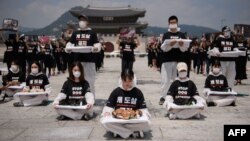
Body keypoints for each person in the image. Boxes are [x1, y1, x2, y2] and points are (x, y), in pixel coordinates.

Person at [100, 69, 151, 139]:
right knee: (104, 122)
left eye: (129, 81)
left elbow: (143, 109)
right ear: (121, 80)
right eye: (125, 81)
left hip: (133, 120)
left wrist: (144, 115)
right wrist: (107, 112)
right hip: (118, 119)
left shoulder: (138, 92)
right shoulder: (116, 91)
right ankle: (131, 131)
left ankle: (119, 131)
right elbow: (109, 107)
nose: (127, 83)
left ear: (133, 79)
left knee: (147, 123)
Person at [66, 14, 101, 98]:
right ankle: (79, 97)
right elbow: (71, 43)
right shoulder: (75, 33)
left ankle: (91, 98)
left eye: (83, 20)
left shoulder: (92, 33)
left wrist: (96, 48)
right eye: (80, 20)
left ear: (87, 22)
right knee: (77, 79)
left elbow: (96, 43)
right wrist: (68, 47)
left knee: (90, 80)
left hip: (89, 60)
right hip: (77, 60)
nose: (81, 22)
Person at [159, 15, 189, 105]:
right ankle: (163, 97)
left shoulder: (181, 35)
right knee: (166, 80)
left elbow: (185, 49)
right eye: (171, 23)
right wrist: (170, 45)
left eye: (174, 22)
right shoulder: (166, 35)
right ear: (169, 24)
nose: (173, 24)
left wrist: (181, 44)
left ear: (177, 23)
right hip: (167, 60)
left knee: (176, 80)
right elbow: (163, 48)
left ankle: (175, 96)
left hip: (178, 61)